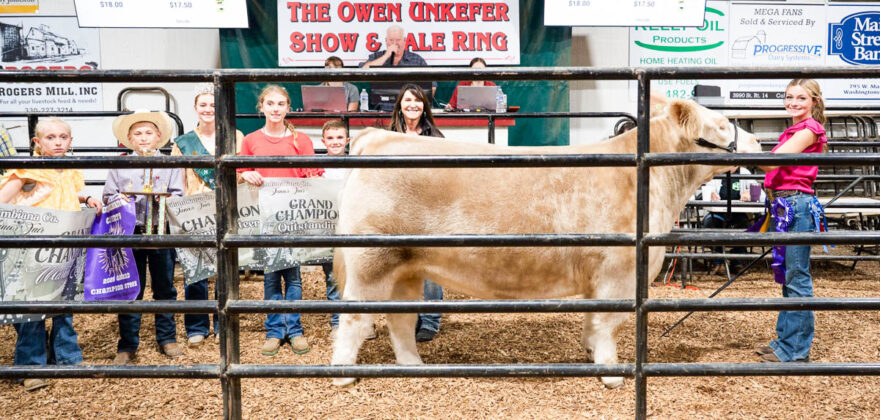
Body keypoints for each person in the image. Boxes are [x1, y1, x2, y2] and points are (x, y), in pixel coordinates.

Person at [0, 117, 101, 391]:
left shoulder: (69, 169)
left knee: (65, 304)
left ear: (71, 141)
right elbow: (3, 200)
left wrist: (86, 198)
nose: (58, 142)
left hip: (66, 245)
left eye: (63, 137)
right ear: (37, 142)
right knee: (32, 308)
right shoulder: (27, 169)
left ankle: (67, 358)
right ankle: (30, 366)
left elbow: (66, 192)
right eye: (50, 137)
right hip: (33, 247)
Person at [238, 84, 323, 356]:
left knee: (293, 276)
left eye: (280, 104)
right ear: (261, 107)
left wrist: (312, 181)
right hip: (264, 216)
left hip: (293, 215)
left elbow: (313, 174)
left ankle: (295, 329)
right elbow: (238, 171)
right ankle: (274, 331)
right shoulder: (251, 140)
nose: (275, 109)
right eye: (270, 104)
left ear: (288, 108)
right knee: (272, 275)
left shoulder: (302, 140)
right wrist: (245, 174)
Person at [755, 79, 828, 363]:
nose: (793, 103)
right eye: (789, 97)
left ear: (814, 102)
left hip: (795, 204)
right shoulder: (795, 130)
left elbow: (772, 162)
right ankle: (785, 340)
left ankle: (795, 349)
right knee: (789, 275)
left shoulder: (810, 129)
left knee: (796, 275)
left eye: (801, 98)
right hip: (786, 204)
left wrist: (743, 148)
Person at [103, 111, 185, 364]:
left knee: (165, 287)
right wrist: (120, 199)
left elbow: (179, 195)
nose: (143, 138)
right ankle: (127, 344)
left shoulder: (170, 164)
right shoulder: (120, 165)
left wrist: (166, 198)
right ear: (129, 139)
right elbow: (108, 196)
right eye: (137, 134)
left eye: (149, 133)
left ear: (159, 136)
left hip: (161, 232)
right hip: (131, 232)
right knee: (130, 288)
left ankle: (167, 338)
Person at [170, 84, 244, 346]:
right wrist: (178, 210)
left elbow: (241, 173)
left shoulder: (235, 136)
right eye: (203, 105)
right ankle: (196, 325)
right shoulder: (182, 143)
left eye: (213, 105)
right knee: (196, 271)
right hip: (194, 210)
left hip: (225, 208)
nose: (208, 109)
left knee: (225, 270)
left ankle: (224, 323)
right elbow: (177, 180)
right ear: (195, 108)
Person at [388, 84, 444, 342]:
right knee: (403, 266)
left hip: (428, 209)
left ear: (424, 106)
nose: (413, 105)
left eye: (418, 101)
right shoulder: (389, 136)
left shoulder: (436, 137)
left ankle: (430, 320)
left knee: (430, 265)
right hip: (398, 210)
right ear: (400, 105)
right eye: (408, 100)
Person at [700, 168, 755, 275]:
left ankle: (737, 261)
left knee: (744, 225)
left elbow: (759, 192)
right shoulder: (717, 171)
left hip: (738, 212)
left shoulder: (744, 172)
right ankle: (718, 261)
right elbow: (707, 189)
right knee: (711, 224)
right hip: (716, 212)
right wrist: (712, 194)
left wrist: (750, 193)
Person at [360, 25, 437, 94]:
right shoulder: (376, 56)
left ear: (404, 40)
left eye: (398, 40)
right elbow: (363, 72)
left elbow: (432, 86)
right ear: (386, 41)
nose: (395, 43)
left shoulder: (417, 60)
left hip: (408, 104)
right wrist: (386, 55)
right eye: (391, 40)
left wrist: (415, 100)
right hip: (381, 104)